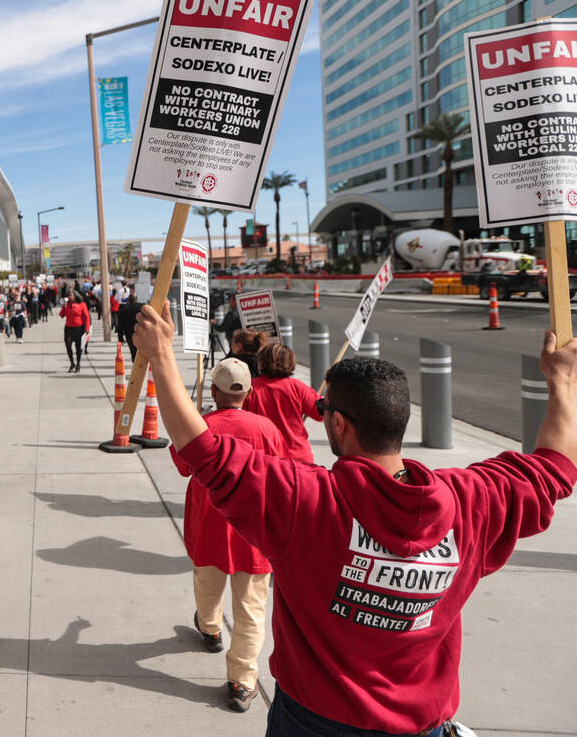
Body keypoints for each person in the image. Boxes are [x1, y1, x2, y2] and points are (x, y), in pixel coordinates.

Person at [133, 302, 577, 737]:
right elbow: (556, 467)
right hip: (422, 722)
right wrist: (562, 383)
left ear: (339, 425)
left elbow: (204, 452)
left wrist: (161, 356)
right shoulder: (473, 501)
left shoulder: (304, 501)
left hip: (311, 720)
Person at [186, 359, 286, 711]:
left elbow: (183, 464)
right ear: (248, 393)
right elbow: (283, 476)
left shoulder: (201, 426)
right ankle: (242, 682)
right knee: (251, 610)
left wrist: (195, 421)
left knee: (206, 585)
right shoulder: (267, 429)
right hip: (255, 534)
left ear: (214, 391)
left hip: (210, 528)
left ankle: (211, 629)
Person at [245, 342, 323, 464]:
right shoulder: (297, 387)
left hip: (263, 458)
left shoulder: (250, 388)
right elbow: (321, 414)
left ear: (261, 363)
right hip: (297, 458)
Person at [59, 291, 91, 372]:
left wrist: (87, 328)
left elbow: (87, 317)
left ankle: (78, 364)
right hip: (68, 328)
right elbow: (61, 315)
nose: (69, 297)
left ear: (75, 296)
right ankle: (72, 363)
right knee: (68, 345)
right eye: (68, 296)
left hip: (79, 328)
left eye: (70, 295)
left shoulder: (82, 304)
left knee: (78, 348)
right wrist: (64, 306)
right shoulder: (67, 305)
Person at [116, 289, 142, 362]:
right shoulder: (142, 307)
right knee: (141, 350)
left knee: (133, 350)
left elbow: (120, 326)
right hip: (141, 332)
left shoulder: (123, 311)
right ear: (136, 299)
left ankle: (135, 364)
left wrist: (120, 338)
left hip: (129, 334)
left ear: (128, 300)